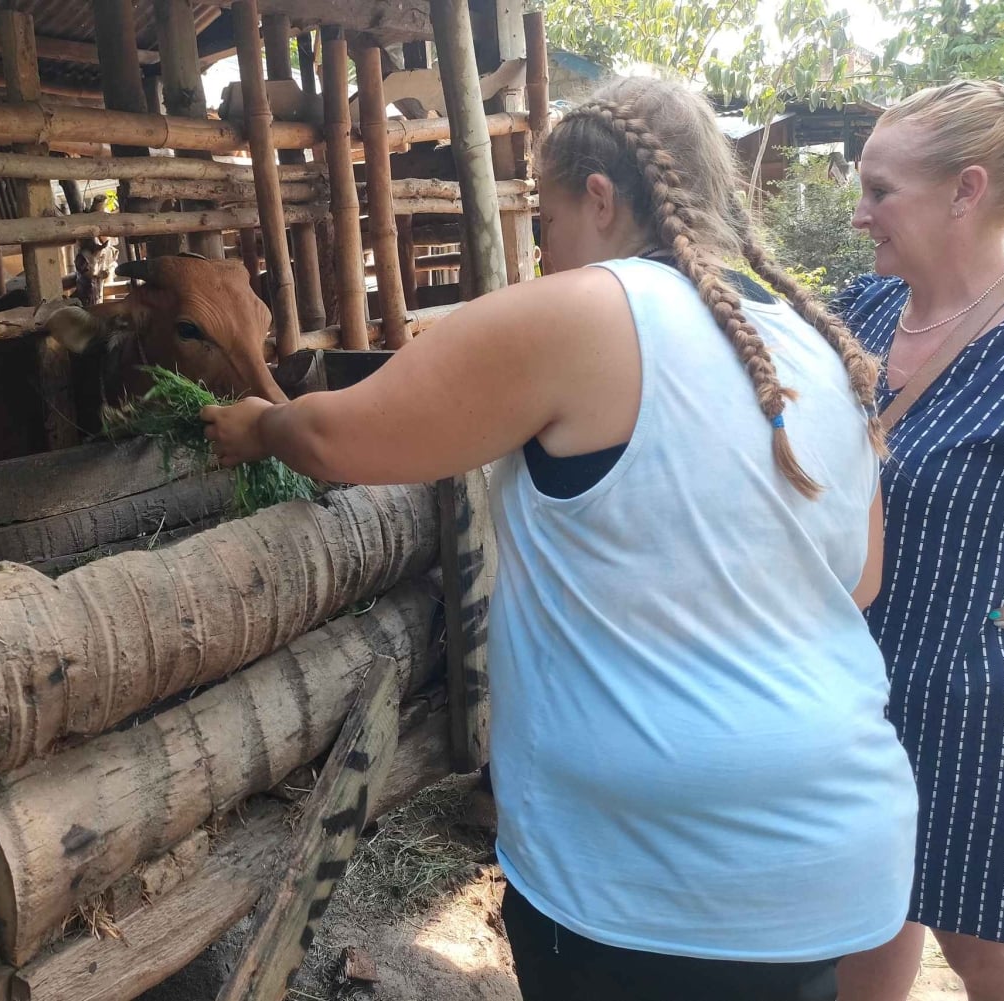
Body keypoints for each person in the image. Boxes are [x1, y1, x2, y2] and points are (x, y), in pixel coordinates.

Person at [202, 76, 917, 1001]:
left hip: (648, 880)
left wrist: (261, 423)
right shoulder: (820, 352)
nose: (541, 250)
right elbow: (857, 584)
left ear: (602, 197)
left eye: (544, 221)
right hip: (833, 849)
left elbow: (337, 439)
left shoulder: (586, 310)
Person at [832, 72, 1004, 1001]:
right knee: (860, 928)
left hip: (975, 706)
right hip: (844, 689)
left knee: (987, 952)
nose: (860, 213)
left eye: (880, 191)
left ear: (967, 190)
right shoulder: (860, 312)